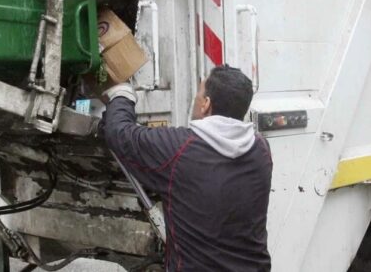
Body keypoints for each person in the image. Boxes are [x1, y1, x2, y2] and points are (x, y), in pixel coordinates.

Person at [102, 65, 272, 271]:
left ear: (206, 104)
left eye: (198, 95)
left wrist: (122, 94)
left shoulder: (179, 150)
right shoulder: (261, 150)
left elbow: (119, 133)